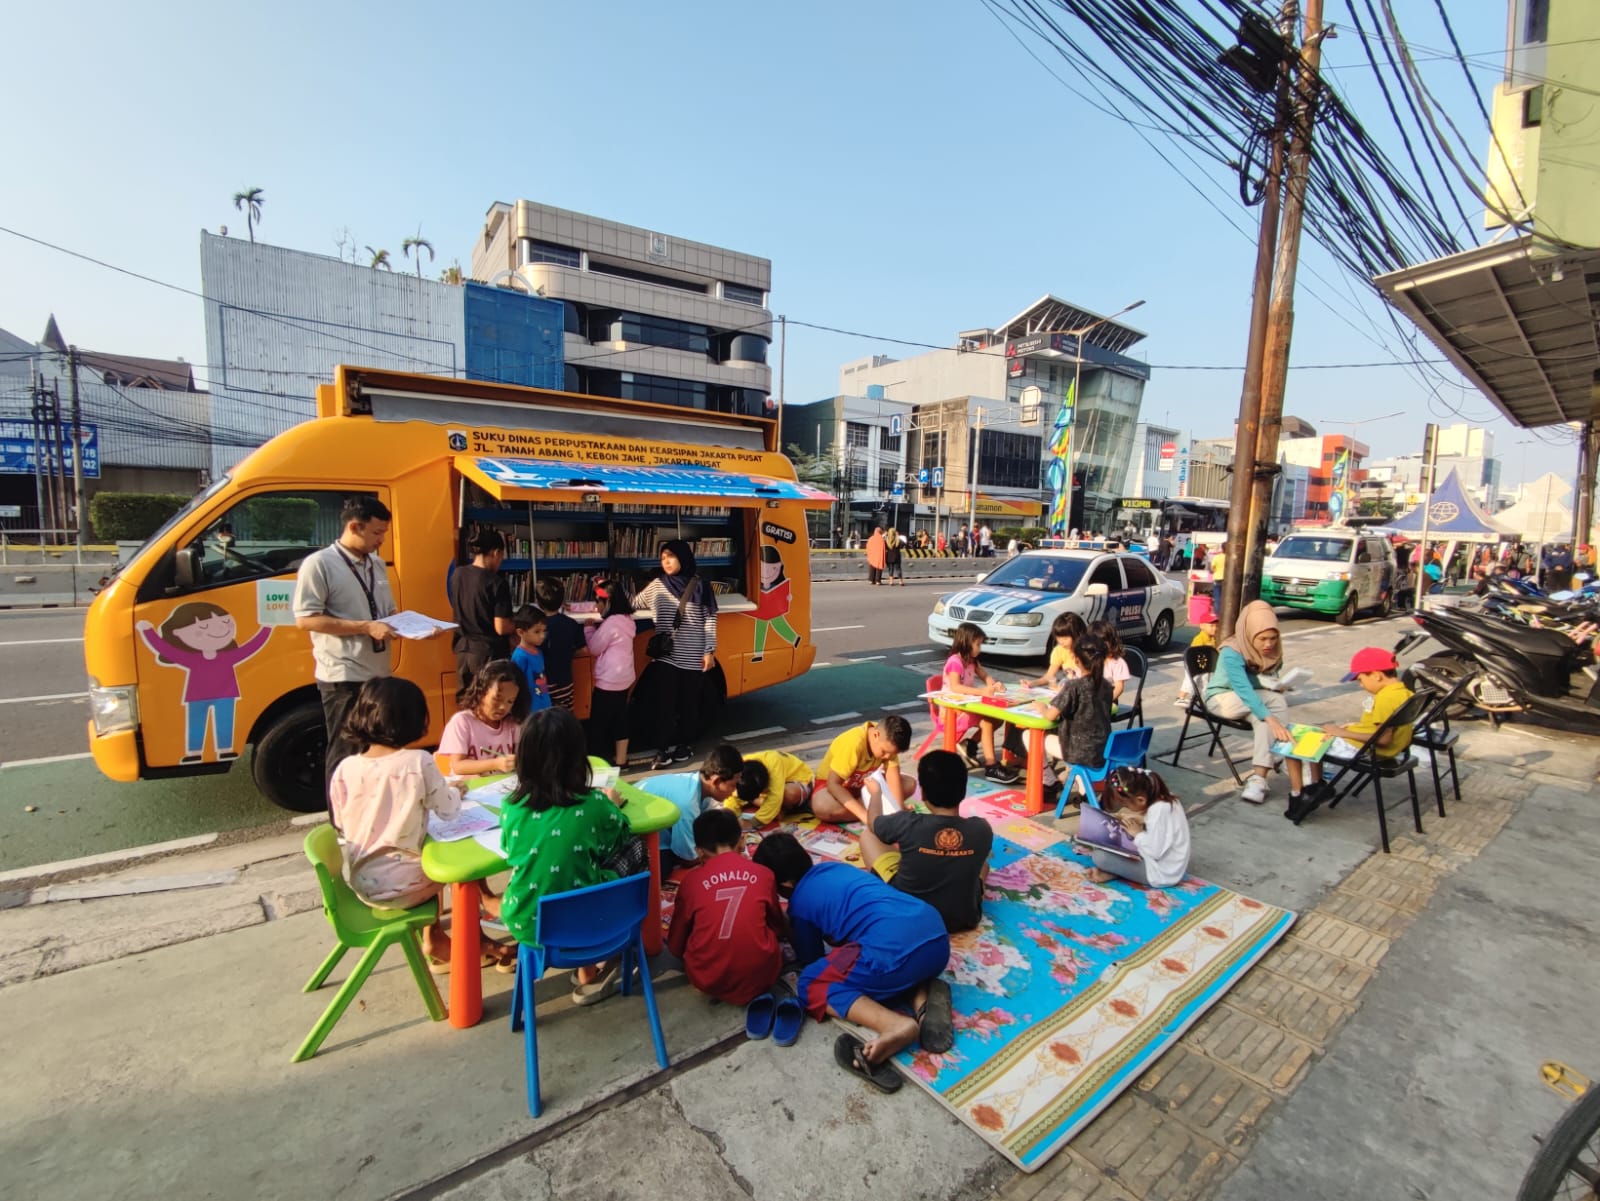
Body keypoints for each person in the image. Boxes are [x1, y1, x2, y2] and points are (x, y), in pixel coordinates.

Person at [328, 677, 510, 971]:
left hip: (362, 882)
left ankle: (435, 936)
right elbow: (449, 811)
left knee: (425, 850)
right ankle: (472, 941)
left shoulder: (345, 768)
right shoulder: (417, 761)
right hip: (405, 886)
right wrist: (455, 791)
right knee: (457, 865)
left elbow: (341, 822)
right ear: (413, 719)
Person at [752, 833, 953, 1092]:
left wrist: (786, 926)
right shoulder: (835, 867)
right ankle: (921, 1000)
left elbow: (811, 958)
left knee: (812, 982)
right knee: (886, 961)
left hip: (892, 949)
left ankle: (894, 1025)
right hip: (935, 936)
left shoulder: (799, 904)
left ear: (785, 884)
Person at [500, 707, 649, 1005]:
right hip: (592, 923)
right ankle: (612, 957)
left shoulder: (511, 808)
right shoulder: (593, 805)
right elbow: (620, 833)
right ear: (578, 757)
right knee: (635, 847)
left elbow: (507, 849)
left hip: (527, 924)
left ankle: (587, 970)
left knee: (566, 869)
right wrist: (612, 805)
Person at [293, 495, 406, 801]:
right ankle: (341, 818)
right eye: (377, 533)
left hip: (378, 674)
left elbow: (386, 612)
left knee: (377, 748)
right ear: (355, 527)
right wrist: (365, 627)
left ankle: (371, 809)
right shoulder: (319, 564)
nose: (381, 540)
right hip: (343, 676)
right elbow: (306, 619)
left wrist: (412, 626)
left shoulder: (376, 564)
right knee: (346, 751)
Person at [857, 750, 991, 933]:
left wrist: (875, 794)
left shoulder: (907, 823)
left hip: (909, 914)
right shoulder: (982, 829)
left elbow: (873, 822)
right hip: (963, 918)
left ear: (923, 794)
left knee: (868, 836)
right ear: (963, 791)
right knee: (983, 865)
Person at [665, 808, 784, 1006]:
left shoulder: (690, 882)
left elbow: (676, 945)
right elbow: (778, 927)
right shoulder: (764, 874)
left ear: (699, 851)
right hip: (764, 975)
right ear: (742, 841)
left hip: (708, 979)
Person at [1286, 647, 1416, 824]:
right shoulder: (1404, 693)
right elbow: (1383, 727)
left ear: (1376, 675)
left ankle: (1297, 795)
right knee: (1318, 734)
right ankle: (1317, 785)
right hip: (1388, 749)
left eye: (1361, 679)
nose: (1361, 685)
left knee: (1292, 741)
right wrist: (1357, 726)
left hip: (1364, 750)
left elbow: (1383, 739)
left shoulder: (1385, 698)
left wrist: (1342, 732)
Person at [1204, 600, 1312, 806]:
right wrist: (1272, 719)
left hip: (1251, 699)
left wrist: (1278, 685)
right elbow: (1243, 688)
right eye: (1262, 639)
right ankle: (1284, 755)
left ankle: (1259, 778)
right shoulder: (1232, 651)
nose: (1268, 644)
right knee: (1273, 706)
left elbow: (1266, 679)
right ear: (1250, 632)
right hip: (1222, 698)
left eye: (1273, 638)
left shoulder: (1272, 649)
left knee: (1265, 719)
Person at [634, 540, 719, 770]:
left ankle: (684, 745)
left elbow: (710, 620)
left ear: (683, 557)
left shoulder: (700, 586)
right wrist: (605, 593)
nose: (666, 562)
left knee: (688, 704)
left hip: (693, 655)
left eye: (671, 556)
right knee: (663, 704)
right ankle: (662, 750)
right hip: (666, 655)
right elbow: (634, 603)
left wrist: (709, 651)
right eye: (663, 558)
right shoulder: (657, 585)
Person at [639, 743, 744, 878]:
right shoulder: (688, 804)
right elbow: (687, 859)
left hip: (650, 818)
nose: (735, 792)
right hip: (638, 835)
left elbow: (714, 818)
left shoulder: (699, 785)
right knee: (662, 868)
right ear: (717, 781)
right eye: (733, 785)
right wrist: (723, 854)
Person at [1034, 633, 1112, 803]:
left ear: (1076, 660)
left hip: (1077, 750)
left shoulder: (1074, 686)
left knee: (1030, 737)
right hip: (1103, 750)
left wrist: (1041, 707)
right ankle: (1085, 792)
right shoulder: (1107, 685)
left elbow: (1051, 715)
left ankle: (1049, 782)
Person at [1083, 767, 1191, 888]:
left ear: (1140, 800)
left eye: (1126, 804)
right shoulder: (1166, 798)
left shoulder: (1158, 810)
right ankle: (1118, 871)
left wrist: (1137, 834)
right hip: (1163, 864)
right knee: (1115, 841)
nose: (1126, 807)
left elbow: (1155, 851)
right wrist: (1140, 819)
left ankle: (1115, 872)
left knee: (1100, 857)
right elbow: (1163, 827)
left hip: (1160, 873)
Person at [941, 622, 1020, 785]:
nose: (980, 648)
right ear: (966, 642)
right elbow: (955, 687)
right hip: (953, 710)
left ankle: (970, 744)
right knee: (987, 723)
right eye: (977, 644)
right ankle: (991, 767)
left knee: (997, 719)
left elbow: (985, 676)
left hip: (967, 705)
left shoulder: (972, 661)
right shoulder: (955, 662)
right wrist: (982, 692)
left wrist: (994, 685)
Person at [447, 529, 514, 700]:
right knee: (490, 701)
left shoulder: (458, 575)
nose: (500, 562)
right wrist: (519, 624)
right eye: (501, 556)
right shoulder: (497, 583)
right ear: (495, 553)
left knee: (467, 702)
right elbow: (501, 627)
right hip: (488, 654)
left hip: (463, 650)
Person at [813, 715, 914, 824]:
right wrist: (864, 817)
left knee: (910, 784)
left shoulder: (887, 740)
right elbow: (833, 784)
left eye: (892, 754)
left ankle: (875, 809)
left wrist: (899, 810)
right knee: (822, 806)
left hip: (862, 787)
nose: (887, 757)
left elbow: (892, 775)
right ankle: (875, 811)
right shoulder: (854, 743)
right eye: (884, 752)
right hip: (833, 788)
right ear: (876, 735)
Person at [437, 659, 528, 777]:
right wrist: (495, 764)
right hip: (469, 786)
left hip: (502, 785)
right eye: (497, 699)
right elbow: (458, 766)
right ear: (481, 691)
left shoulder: (512, 724)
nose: (503, 707)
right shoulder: (462, 722)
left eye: (510, 701)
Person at [583, 583, 637, 768]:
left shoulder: (610, 624)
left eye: (598, 602)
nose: (596, 606)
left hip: (608, 680)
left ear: (608, 602)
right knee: (620, 718)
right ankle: (621, 760)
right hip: (625, 678)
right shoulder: (627, 619)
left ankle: (595, 764)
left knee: (598, 724)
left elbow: (594, 648)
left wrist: (588, 629)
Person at [728, 748, 815, 828]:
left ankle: (783, 809)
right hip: (765, 793)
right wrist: (730, 815)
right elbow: (731, 794)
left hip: (798, 782)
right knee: (770, 808)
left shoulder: (774, 764)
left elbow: (775, 797)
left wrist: (754, 822)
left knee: (789, 793)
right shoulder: (739, 768)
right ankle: (773, 809)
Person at [533, 577, 584, 711]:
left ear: (538, 602)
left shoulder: (536, 628)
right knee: (565, 715)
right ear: (562, 601)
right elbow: (583, 650)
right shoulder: (571, 624)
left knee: (544, 715)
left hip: (543, 682)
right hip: (565, 681)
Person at [1025, 611, 1087, 693]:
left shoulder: (1087, 651)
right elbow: (1049, 675)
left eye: (1065, 638)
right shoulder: (1059, 650)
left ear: (1077, 635)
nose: (1061, 642)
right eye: (1058, 638)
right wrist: (1032, 683)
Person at [1175, 598, 1219, 706]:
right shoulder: (1200, 639)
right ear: (1202, 626)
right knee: (1191, 681)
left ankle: (1200, 700)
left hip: (1203, 665)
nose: (1214, 628)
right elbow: (1194, 653)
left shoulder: (1213, 639)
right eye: (1211, 625)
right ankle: (1180, 697)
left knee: (1204, 682)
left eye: (1216, 625)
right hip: (1194, 665)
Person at [509, 606, 552, 712]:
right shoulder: (520, 657)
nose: (542, 636)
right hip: (529, 711)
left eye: (544, 631)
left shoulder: (539, 652)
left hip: (544, 706)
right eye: (537, 632)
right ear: (520, 632)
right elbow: (515, 686)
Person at [1089, 619, 1131, 708]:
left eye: (1104, 641)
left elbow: (1119, 687)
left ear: (1111, 641)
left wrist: (1106, 701)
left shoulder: (1117, 662)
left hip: (1108, 701)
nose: (1100, 645)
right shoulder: (1089, 658)